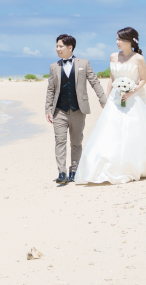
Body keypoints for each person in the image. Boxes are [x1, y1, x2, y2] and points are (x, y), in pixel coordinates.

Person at [74, 27, 146, 185]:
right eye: (117, 39)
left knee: (133, 130)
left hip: (132, 99)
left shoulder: (138, 58)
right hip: (114, 99)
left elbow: (143, 80)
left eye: (120, 39)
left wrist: (131, 92)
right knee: (109, 130)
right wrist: (106, 98)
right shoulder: (113, 56)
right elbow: (112, 79)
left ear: (129, 41)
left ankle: (134, 164)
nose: (117, 42)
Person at [45, 34, 107, 185]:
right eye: (57, 46)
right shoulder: (54, 66)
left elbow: (94, 82)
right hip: (59, 110)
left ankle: (75, 170)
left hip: (78, 109)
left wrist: (103, 100)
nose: (57, 49)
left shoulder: (84, 63)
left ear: (69, 47)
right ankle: (62, 172)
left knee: (76, 142)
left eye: (60, 46)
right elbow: (51, 90)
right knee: (60, 141)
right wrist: (48, 109)